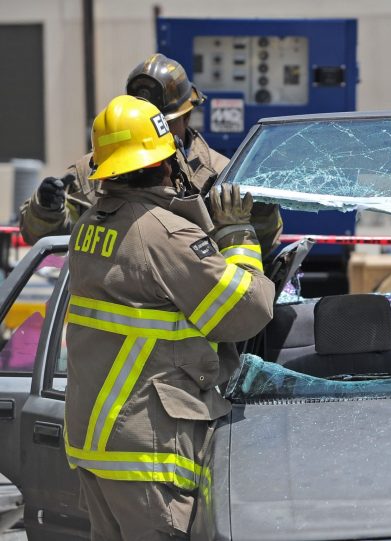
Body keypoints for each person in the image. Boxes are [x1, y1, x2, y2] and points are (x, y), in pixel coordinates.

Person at [64, 95, 275, 539]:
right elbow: (247, 311)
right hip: (148, 452)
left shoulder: (90, 225)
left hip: (98, 443)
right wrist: (237, 234)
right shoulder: (163, 234)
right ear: (167, 162)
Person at [19, 53, 283, 259]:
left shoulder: (223, 173)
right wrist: (45, 211)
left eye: (161, 123)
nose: (154, 133)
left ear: (187, 116)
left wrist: (260, 214)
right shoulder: (95, 169)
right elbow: (41, 237)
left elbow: (264, 245)